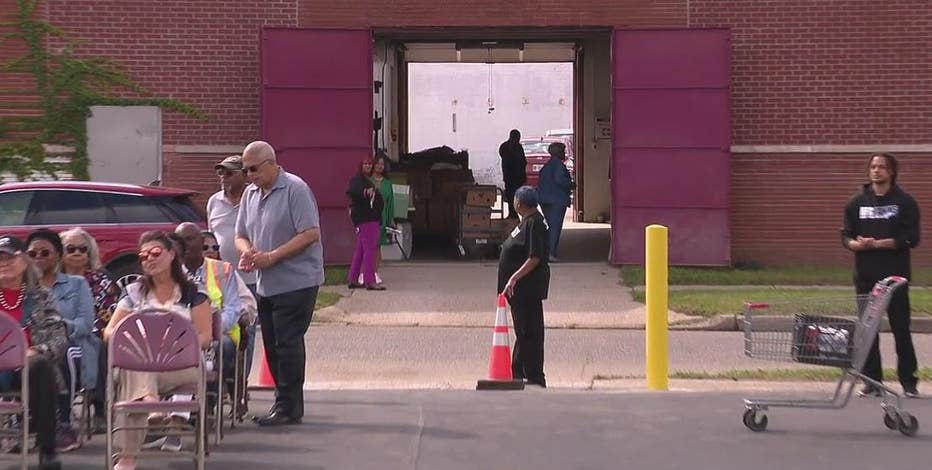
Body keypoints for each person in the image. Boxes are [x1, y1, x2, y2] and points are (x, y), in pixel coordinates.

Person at [104, 231, 212, 470]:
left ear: (172, 254)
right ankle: (149, 401)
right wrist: (131, 336)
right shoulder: (133, 293)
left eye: (155, 253)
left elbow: (205, 337)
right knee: (134, 366)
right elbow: (109, 332)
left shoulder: (194, 293)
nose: (149, 259)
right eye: (143, 256)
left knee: (132, 377)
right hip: (140, 364)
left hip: (183, 367)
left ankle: (126, 459)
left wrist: (177, 346)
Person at [235, 140, 323, 426]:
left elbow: (310, 233)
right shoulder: (250, 194)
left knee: (287, 343)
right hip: (265, 283)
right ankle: (281, 403)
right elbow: (240, 234)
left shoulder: (295, 189)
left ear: (271, 163)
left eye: (254, 169)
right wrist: (247, 250)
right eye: (245, 170)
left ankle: (290, 407)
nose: (249, 176)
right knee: (272, 344)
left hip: (297, 281)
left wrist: (273, 256)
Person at [841, 153, 920, 398]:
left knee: (900, 329)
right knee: (868, 330)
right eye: (873, 167)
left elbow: (911, 238)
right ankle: (872, 382)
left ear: (892, 172)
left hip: (894, 278)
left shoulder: (905, 202)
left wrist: (881, 243)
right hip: (865, 276)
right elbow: (846, 236)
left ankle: (909, 382)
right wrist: (857, 244)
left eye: (882, 167)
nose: (877, 171)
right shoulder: (856, 203)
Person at [0, 234, 68, 470]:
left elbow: (59, 336)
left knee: (40, 366)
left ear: (25, 262)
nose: (4, 263)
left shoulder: (41, 296)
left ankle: (47, 450)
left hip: (26, 366)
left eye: (10, 258)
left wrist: (38, 349)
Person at [27, 228, 95, 452]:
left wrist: (58, 327)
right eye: (33, 253)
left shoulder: (76, 284)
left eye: (44, 253)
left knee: (62, 350)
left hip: (72, 344)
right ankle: (27, 422)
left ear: (57, 255)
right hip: (32, 347)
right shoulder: (21, 288)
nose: (38, 257)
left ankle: (65, 422)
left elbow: (85, 323)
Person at [59, 227, 121, 434]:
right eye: (71, 249)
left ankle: (100, 408)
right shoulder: (51, 282)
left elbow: (109, 314)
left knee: (103, 344)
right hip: (62, 336)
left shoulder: (102, 281)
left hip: (95, 332)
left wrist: (84, 330)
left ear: (89, 253)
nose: (77, 253)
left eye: (82, 249)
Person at [174, 223, 252, 386]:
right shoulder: (170, 271)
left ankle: (210, 397)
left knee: (224, 346)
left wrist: (209, 331)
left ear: (201, 241)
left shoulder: (223, 270)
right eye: (180, 240)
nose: (184, 244)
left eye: (189, 239)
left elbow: (233, 308)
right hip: (179, 334)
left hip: (218, 333)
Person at [206, 155, 259, 381]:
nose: (223, 178)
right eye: (220, 173)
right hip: (221, 280)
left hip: (252, 279)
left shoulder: (254, 199)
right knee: (221, 331)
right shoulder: (214, 202)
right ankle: (221, 383)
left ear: (243, 175)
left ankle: (240, 382)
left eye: (228, 173)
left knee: (247, 331)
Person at [497, 186, 550, 388]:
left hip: (526, 289)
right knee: (523, 331)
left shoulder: (535, 224)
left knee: (529, 332)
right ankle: (517, 372)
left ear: (519, 203)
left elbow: (535, 257)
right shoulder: (527, 222)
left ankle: (535, 375)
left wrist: (513, 278)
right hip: (519, 291)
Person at [346, 158, 386, 291]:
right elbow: (353, 191)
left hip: (367, 219)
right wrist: (366, 193)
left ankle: (353, 278)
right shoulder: (358, 180)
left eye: (370, 164)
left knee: (361, 249)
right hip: (367, 219)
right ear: (361, 166)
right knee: (370, 250)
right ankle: (370, 281)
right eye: (365, 164)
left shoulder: (367, 181)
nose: (368, 166)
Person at [537, 141, 576, 262]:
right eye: (563, 151)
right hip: (557, 200)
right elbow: (559, 180)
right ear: (559, 153)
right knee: (555, 227)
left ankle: (545, 250)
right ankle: (550, 253)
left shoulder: (546, 166)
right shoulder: (559, 165)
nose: (564, 154)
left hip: (544, 200)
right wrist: (571, 185)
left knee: (551, 225)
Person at [499, 129, 527, 219]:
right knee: (513, 197)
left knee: (515, 197)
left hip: (513, 177)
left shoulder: (508, 146)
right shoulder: (513, 147)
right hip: (513, 177)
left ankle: (514, 213)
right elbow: (521, 161)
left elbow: (522, 161)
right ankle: (513, 214)